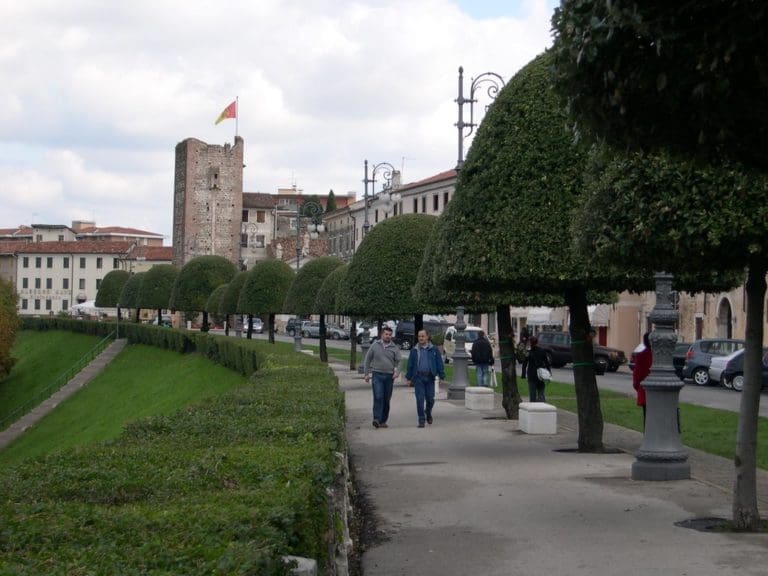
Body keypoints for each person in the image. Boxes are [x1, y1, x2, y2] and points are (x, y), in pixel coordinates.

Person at [405, 329, 446, 428]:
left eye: (423, 336)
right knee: (419, 399)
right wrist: (409, 378)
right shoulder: (414, 350)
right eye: (419, 336)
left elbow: (439, 363)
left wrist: (441, 375)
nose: (421, 338)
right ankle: (421, 420)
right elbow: (410, 365)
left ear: (427, 337)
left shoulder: (434, 349)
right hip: (418, 377)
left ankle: (428, 413)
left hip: (430, 377)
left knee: (430, 400)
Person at [363, 326, 402, 429]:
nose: (388, 336)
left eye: (390, 335)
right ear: (382, 335)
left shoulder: (394, 348)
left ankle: (383, 420)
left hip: (389, 376)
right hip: (377, 375)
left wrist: (397, 372)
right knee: (378, 396)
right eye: (386, 334)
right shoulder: (375, 345)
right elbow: (367, 359)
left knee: (386, 399)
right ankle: (376, 418)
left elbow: (400, 361)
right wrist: (366, 374)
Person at [632, 332, 653, 428]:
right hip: (658, 392)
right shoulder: (659, 356)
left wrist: (637, 386)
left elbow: (637, 375)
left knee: (647, 416)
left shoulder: (641, 356)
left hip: (645, 390)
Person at [526, 335, 550, 402]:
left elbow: (523, 361)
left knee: (532, 393)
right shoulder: (542, 351)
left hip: (531, 374)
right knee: (541, 391)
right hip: (541, 373)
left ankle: (533, 407)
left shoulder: (528, 352)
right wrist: (549, 372)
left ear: (530, 343)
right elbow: (547, 362)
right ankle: (542, 404)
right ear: (537, 342)